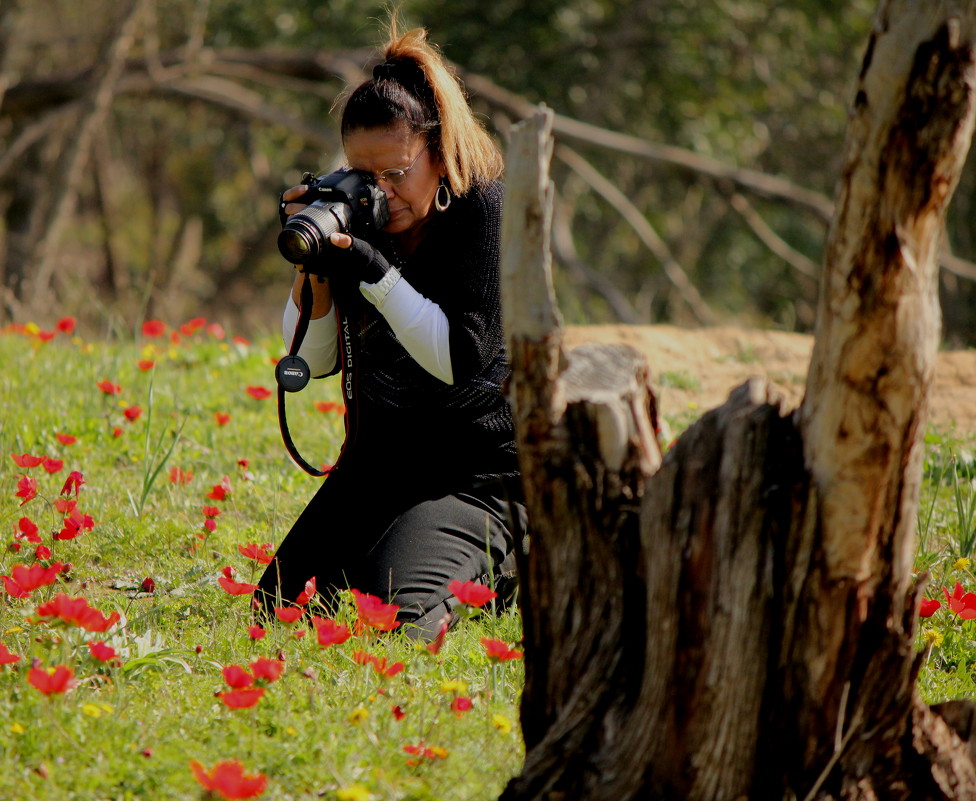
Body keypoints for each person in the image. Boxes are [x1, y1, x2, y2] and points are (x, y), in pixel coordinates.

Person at [256, 20, 526, 640]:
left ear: (437, 152)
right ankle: (404, 552)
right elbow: (318, 361)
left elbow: (461, 358)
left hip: (478, 474)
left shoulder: (483, 210)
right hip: (382, 466)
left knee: (401, 615)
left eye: (397, 173)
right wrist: (317, 268)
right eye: (361, 173)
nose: (381, 194)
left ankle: (517, 560)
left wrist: (372, 269)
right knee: (281, 607)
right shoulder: (356, 212)